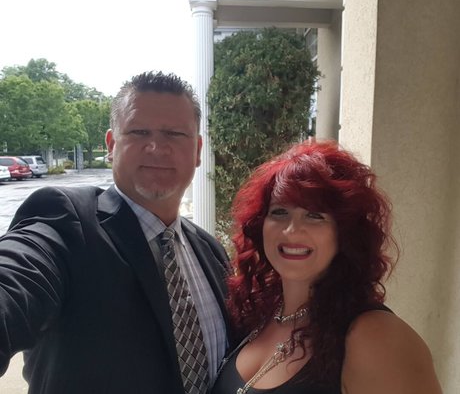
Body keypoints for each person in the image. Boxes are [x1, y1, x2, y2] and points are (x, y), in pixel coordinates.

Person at [0, 71, 230, 394]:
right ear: (111, 145)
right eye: (139, 131)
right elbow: (15, 280)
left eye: (175, 134)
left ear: (198, 150)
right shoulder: (65, 221)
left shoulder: (210, 251)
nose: (157, 147)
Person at [211, 140, 442, 394]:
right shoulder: (260, 315)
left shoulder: (377, 337)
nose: (292, 230)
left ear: (345, 232)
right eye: (279, 212)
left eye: (315, 215)